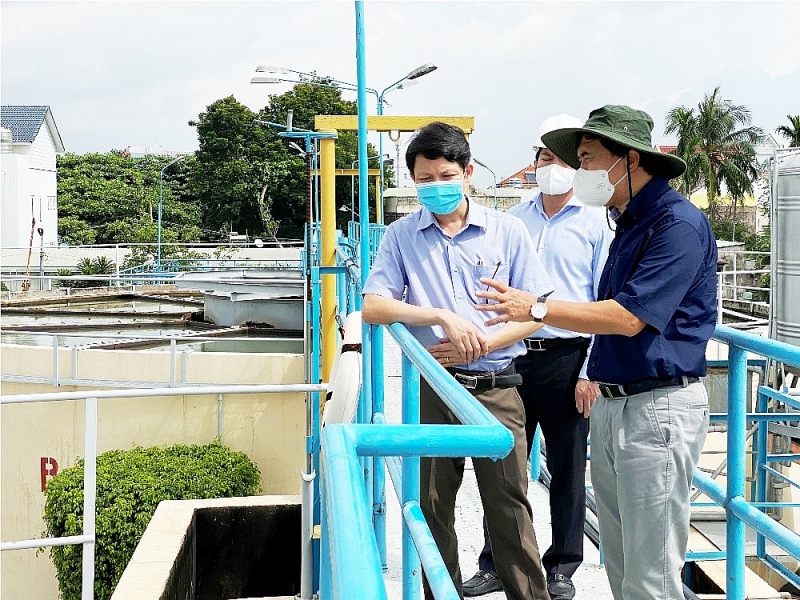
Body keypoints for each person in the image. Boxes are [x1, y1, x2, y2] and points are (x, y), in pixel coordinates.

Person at [475, 105, 717, 600]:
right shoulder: (625, 221)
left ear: (628, 159)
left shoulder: (677, 225)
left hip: (658, 407)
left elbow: (627, 316)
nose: (578, 170)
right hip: (616, 402)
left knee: (651, 573)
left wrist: (536, 308)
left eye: (586, 159)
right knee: (622, 562)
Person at [362, 121, 554, 600]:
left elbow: (536, 312)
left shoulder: (507, 232)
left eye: (445, 176)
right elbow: (373, 305)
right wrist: (440, 316)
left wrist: (484, 342)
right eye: (425, 180)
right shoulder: (402, 236)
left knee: (509, 507)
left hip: (497, 386)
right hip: (433, 386)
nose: (436, 187)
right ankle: (441, 594)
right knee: (430, 506)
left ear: (467, 173)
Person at [463, 114, 612, 600]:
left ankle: (563, 565)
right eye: (546, 157)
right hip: (514, 356)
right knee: (503, 462)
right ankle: (495, 560)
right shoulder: (513, 221)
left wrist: (590, 372)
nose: (554, 167)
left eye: (565, 160)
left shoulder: (597, 222)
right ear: (534, 163)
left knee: (568, 465)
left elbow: (603, 301)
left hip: (570, 359)